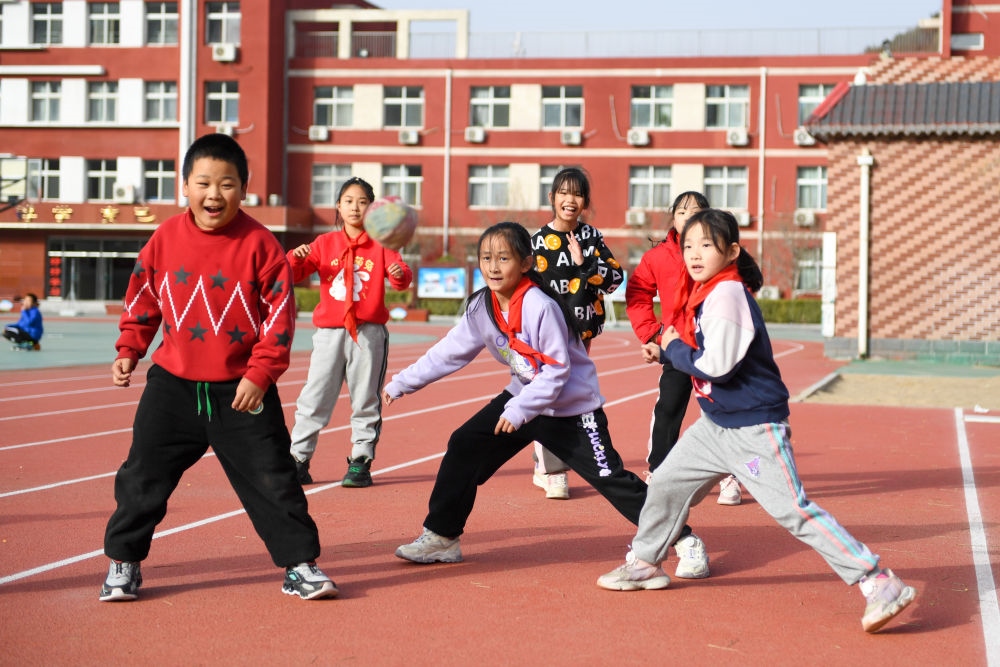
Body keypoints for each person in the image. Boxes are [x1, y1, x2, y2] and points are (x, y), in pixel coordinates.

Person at [597, 209, 917, 633]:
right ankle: (644, 562)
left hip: (753, 429)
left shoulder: (727, 294)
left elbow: (717, 365)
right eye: (688, 245)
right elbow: (702, 353)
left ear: (731, 252)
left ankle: (878, 581)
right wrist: (668, 349)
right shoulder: (705, 293)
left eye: (706, 245)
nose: (695, 254)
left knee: (793, 511)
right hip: (716, 425)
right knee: (667, 482)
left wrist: (673, 349)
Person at [99, 133, 337, 602]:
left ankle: (299, 566)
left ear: (243, 189)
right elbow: (143, 299)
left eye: (227, 184)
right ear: (185, 186)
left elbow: (280, 318)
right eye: (204, 183)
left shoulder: (261, 244)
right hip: (172, 388)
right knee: (142, 476)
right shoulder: (164, 239)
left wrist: (260, 374)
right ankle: (123, 562)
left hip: (242, 391)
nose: (214, 194)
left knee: (275, 479)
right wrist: (129, 348)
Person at [385, 221, 654, 566]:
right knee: (465, 444)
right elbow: (449, 352)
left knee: (610, 478)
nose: (493, 267)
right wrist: (402, 382)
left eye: (504, 258)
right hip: (524, 399)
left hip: (571, 410)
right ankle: (442, 537)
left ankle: (679, 534)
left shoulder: (541, 306)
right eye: (486, 258)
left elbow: (557, 371)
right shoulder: (482, 306)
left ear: (526, 263)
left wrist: (518, 410)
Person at [287, 177, 412, 487]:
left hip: (368, 334)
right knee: (314, 397)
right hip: (329, 333)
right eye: (349, 201)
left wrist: (399, 273)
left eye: (363, 202)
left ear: (372, 209)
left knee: (365, 398)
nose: (355, 207)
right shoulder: (324, 243)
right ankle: (298, 459)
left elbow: (402, 278)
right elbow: (294, 273)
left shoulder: (382, 243)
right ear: (338, 207)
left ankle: (360, 461)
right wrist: (295, 258)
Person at [625, 192, 742, 505]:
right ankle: (658, 471)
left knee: (722, 409)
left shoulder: (720, 252)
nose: (688, 216)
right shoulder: (658, 257)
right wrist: (652, 334)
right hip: (678, 347)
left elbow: (739, 290)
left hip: (714, 348)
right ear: (673, 218)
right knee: (669, 408)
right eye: (682, 211)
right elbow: (637, 294)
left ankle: (730, 475)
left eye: (696, 211)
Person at [528, 167, 623, 501]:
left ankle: (546, 462)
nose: (570, 200)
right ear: (552, 197)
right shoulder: (536, 242)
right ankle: (553, 470)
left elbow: (614, 280)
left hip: (582, 332)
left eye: (578, 194)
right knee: (552, 392)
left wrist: (585, 264)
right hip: (546, 333)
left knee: (572, 393)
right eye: (564, 192)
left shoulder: (591, 237)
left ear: (585, 202)